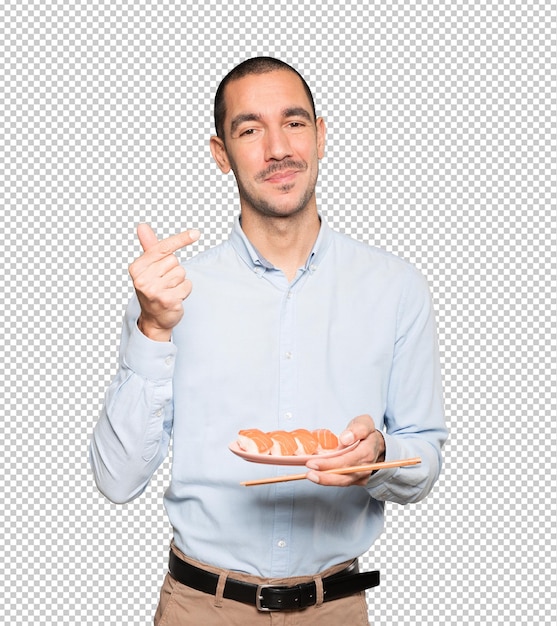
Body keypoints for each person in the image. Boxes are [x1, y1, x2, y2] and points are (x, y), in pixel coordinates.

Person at [89, 56, 448, 625]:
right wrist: (153, 329)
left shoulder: (395, 287)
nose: (278, 148)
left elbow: (423, 454)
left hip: (336, 609)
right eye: (250, 129)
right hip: (200, 608)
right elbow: (116, 479)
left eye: (295, 123)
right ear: (220, 153)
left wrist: (378, 455)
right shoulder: (170, 295)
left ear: (321, 135)